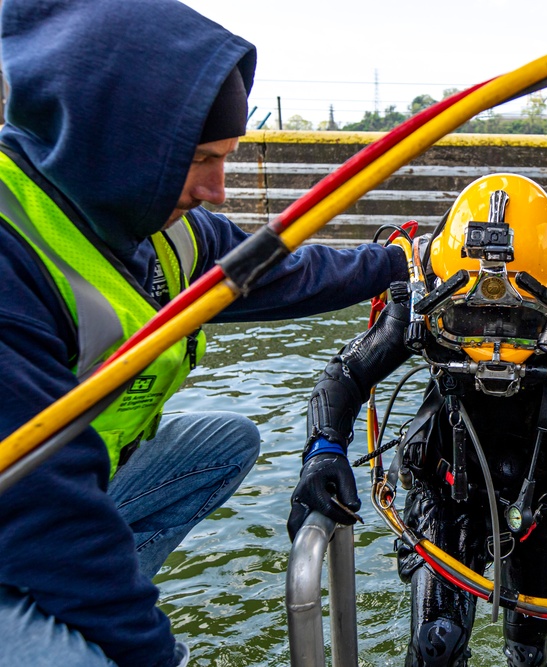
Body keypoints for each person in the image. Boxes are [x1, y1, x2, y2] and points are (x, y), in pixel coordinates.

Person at [0, 1, 409, 666]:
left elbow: (287, 269)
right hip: (23, 516)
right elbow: (48, 514)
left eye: (227, 158)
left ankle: (92, 602)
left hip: (74, 488)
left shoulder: (155, 225)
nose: (218, 189)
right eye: (199, 160)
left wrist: (399, 264)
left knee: (226, 442)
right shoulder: (12, 249)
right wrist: (152, 650)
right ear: (121, 142)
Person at [287, 173, 547, 667]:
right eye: (472, 320)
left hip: (543, 498)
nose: (495, 347)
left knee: (529, 652)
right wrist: (324, 450)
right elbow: (345, 376)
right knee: (437, 643)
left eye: (518, 324)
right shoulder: (423, 295)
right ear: (441, 296)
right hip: (448, 485)